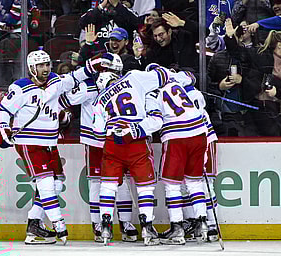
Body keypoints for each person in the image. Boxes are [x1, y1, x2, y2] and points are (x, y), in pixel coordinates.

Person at [0, 49, 115, 245]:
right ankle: (58, 223)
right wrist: (2, 129)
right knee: (46, 183)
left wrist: (92, 66)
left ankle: (34, 225)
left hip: (50, 142)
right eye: (40, 65)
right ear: (32, 68)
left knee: (57, 184)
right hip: (29, 141)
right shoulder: (19, 88)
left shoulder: (55, 82)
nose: (45, 68)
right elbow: (2, 110)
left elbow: (76, 77)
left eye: (47, 64)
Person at [58, 54, 138, 243]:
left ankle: (125, 223)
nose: (112, 74)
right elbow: (64, 99)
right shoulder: (88, 86)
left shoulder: (124, 86)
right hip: (95, 140)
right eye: (109, 70)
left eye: (115, 71)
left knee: (121, 180)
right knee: (97, 181)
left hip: (117, 139)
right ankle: (98, 223)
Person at [92, 64, 171, 246]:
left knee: (108, 186)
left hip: (113, 141)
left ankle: (105, 227)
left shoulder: (98, 100)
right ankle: (147, 227)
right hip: (136, 137)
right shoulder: (132, 77)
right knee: (145, 187)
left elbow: (98, 132)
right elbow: (161, 76)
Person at [156, 70, 208, 245]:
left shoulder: (153, 92)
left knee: (172, 185)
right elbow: (191, 75)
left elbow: (154, 120)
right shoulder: (178, 81)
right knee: (195, 182)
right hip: (199, 132)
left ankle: (177, 228)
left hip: (176, 134)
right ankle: (202, 224)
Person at [225, 29, 281, 136]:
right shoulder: (259, 55)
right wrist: (230, 37)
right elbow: (237, 52)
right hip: (261, 109)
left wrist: (277, 92)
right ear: (279, 45)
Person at [207, 18, 259, 136]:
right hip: (223, 113)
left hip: (248, 112)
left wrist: (242, 80)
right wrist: (220, 86)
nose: (229, 39)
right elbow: (207, 84)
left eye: (232, 36)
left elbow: (257, 83)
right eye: (228, 36)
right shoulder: (217, 58)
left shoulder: (252, 56)